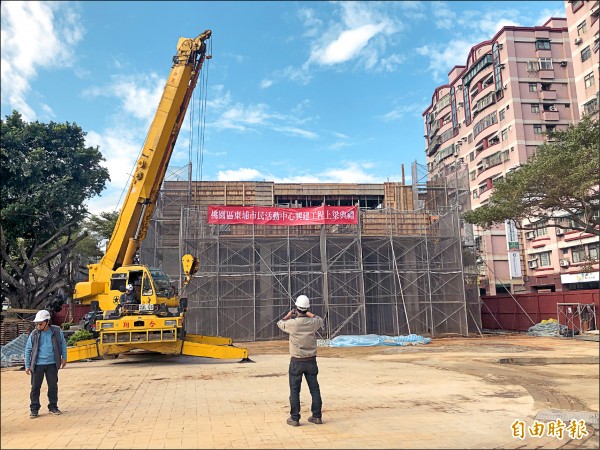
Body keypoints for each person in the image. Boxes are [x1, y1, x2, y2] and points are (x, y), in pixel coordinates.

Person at [277, 295, 325, 427]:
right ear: (307, 308)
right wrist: (308, 312)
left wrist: (288, 315)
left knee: (294, 391)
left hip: (296, 361)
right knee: (314, 390)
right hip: (311, 361)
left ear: (296, 308)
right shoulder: (313, 322)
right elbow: (319, 319)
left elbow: (279, 323)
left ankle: (295, 418)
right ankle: (317, 416)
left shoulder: (292, 324)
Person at [24, 309, 68, 418]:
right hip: (37, 364)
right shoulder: (34, 334)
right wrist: (27, 365)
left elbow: (63, 344)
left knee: (53, 386)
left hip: (52, 364)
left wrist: (64, 358)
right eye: (37, 324)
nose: (38, 326)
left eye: (40, 324)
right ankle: (34, 408)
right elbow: (28, 350)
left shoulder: (57, 331)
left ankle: (53, 406)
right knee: (35, 387)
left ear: (47, 322)